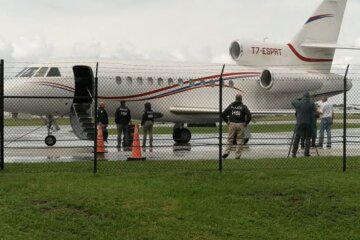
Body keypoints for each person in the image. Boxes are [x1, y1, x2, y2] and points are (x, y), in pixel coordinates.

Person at [221, 94, 251, 159]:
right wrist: (246, 123)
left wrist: (227, 122)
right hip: (240, 124)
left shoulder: (231, 106)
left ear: (235, 99)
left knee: (230, 139)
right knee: (240, 140)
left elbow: (223, 114)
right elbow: (249, 116)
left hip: (232, 123)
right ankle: (237, 155)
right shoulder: (243, 107)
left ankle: (226, 152)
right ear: (241, 99)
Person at [291, 92, 316, 157]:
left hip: (300, 122)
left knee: (297, 138)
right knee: (308, 138)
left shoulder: (299, 103)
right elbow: (314, 110)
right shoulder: (311, 104)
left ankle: (294, 153)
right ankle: (306, 152)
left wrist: (299, 100)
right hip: (308, 123)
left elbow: (292, 101)